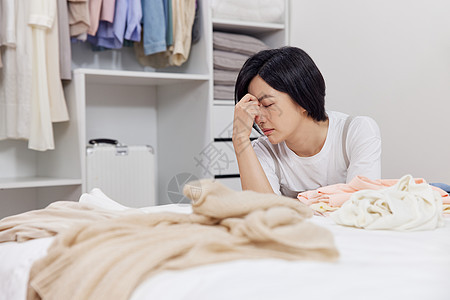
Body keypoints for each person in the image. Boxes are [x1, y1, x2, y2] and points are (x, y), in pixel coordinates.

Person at [232, 46, 381, 197]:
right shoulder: (264, 150)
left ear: (302, 98)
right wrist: (240, 139)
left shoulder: (356, 131)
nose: (259, 119)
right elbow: (263, 213)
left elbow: (362, 206)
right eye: (255, 108)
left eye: (268, 105)